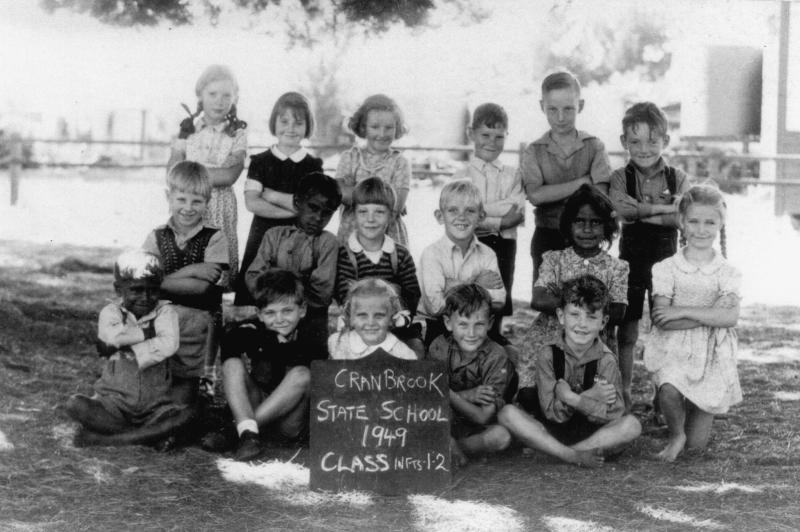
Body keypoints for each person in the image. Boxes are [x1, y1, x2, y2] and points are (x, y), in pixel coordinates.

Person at [499, 276, 641, 468]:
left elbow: (614, 413)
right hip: (550, 429)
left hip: (591, 433)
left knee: (631, 425)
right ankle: (572, 456)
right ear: (560, 316)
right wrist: (590, 397)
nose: (582, 324)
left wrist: (573, 399)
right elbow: (552, 414)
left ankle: (561, 452)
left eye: (591, 317)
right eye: (575, 314)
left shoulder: (606, 360)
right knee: (507, 413)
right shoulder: (548, 354)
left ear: (603, 322)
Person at [645, 185, 740, 462]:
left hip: (712, 353)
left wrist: (681, 310)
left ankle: (689, 430)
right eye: (694, 221)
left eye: (710, 222)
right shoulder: (666, 268)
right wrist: (710, 314)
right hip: (674, 348)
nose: (701, 229)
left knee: (696, 450)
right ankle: (676, 433)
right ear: (682, 223)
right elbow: (663, 319)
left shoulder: (728, 272)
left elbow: (729, 317)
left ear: (721, 224)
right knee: (669, 387)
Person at [516, 185, 628, 411]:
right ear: (568, 224)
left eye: (595, 222)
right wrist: (591, 305)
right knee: (531, 395)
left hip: (594, 343)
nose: (587, 229)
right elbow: (539, 299)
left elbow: (618, 311)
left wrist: (567, 302)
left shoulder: (616, 267)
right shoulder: (553, 259)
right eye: (579, 221)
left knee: (597, 398)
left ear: (607, 226)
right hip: (551, 339)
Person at [65, 250, 193, 447]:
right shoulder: (110, 312)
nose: (145, 297)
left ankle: (109, 438)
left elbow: (168, 344)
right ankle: (148, 438)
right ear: (119, 290)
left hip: (156, 405)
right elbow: (113, 337)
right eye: (136, 290)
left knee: (188, 413)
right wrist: (147, 334)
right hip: (113, 403)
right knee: (76, 404)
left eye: (152, 290)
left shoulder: (166, 312)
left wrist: (128, 344)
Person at [609, 102, 691, 408]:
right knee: (627, 330)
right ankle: (625, 393)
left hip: (666, 262)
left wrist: (642, 213)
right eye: (635, 142)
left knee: (662, 329)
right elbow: (621, 210)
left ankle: (662, 396)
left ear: (666, 142)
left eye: (652, 141)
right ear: (623, 142)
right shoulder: (619, 177)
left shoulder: (677, 177)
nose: (644, 149)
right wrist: (661, 208)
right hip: (631, 262)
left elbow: (681, 216)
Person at [143, 161, 229, 405]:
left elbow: (204, 288)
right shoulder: (156, 235)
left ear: (208, 201)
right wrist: (192, 270)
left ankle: (206, 377)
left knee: (211, 316)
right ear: (168, 197)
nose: (188, 208)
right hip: (164, 315)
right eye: (181, 199)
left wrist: (162, 281)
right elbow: (144, 280)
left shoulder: (215, 237)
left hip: (200, 314)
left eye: (197, 201)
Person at [519, 71, 612, 289]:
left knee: (586, 303)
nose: (560, 117)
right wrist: (583, 183)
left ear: (580, 105)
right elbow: (536, 195)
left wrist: (554, 190)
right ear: (542, 106)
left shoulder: (594, 146)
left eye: (568, 108)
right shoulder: (535, 151)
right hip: (547, 236)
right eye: (553, 109)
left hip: (587, 237)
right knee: (548, 304)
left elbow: (600, 194)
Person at [220, 270, 326, 461]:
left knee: (302, 374)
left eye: (287, 311)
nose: (279, 319)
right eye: (270, 313)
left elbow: (308, 358)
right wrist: (269, 338)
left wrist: (277, 345)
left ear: (302, 310)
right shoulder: (257, 331)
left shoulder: (312, 333)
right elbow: (228, 345)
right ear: (259, 315)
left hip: (289, 421)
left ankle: (239, 431)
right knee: (232, 365)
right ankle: (248, 433)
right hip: (259, 402)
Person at [235, 92, 323, 307]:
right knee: (258, 294)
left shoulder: (313, 166)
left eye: (298, 122)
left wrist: (272, 195)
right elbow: (252, 202)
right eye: (284, 121)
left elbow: (313, 207)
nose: (290, 128)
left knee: (293, 296)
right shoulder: (260, 162)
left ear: (307, 126)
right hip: (262, 234)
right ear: (274, 122)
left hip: (299, 238)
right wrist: (295, 209)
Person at [167, 64, 247, 291]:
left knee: (216, 270)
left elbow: (229, 175)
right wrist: (192, 179)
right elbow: (172, 173)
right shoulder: (188, 131)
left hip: (220, 207)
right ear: (200, 95)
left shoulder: (237, 134)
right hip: (188, 206)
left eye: (226, 95)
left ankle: (213, 321)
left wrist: (189, 178)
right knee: (186, 263)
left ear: (235, 98)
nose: (219, 101)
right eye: (212, 94)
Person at [244, 172, 342, 353]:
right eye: (313, 208)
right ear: (297, 202)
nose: (318, 218)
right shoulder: (273, 235)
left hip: (311, 320)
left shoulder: (328, 242)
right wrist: (280, 300)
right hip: (274, 317)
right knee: (264, 360)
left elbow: (322, 291)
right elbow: (253, 276)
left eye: (327, 213)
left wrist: (277, 285)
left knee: (308, 368)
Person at [454, 103, 526, 340]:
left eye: (499, 137)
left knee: (500, 291)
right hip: (472, 245)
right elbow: (463, 215)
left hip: (505, 245)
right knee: (472, 292)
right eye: (485, 135)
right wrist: (498, 219)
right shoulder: (462, 175)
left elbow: (516, 211)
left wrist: (480, 211)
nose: (491, 142)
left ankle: (495, 341)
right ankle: (470, 340)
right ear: (470, 133)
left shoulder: (512, 174)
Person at [335, 177, 424, 358]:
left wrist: (394, 318)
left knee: (416, 349)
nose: (370, 219)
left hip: (395, 323)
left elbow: (411, 294)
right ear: (354, 215)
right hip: (359, 325)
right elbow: (344, 294)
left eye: (379, 212)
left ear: (391, 216)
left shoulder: (400, 254)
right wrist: (389, 290)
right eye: (363, 212)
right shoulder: (345, 254)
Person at [428, 284, 516, 465]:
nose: (471, 333)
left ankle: (451, 448)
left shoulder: (496, 356)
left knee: (501, 436)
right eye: (463, 324)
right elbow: (429, 401)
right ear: (448, 323)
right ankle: (446, 446)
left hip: (477, 426)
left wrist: (448, 392)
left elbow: (483, 416)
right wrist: (468, 395)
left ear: (490, 323)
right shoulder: (439, 347)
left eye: (479, 325)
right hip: (444, 420)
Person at [417, 179, 506, 347]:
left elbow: (499, 301)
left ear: (481, 217)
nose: (461, 217)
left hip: (477, 329)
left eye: (470, 211)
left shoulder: (487, 254)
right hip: (439, 329)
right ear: (439, 216)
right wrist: (475, 285)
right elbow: (435, 307)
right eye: (453, 210)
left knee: (506, 357)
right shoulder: (432, 254)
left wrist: (450, 286)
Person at [335, 94, 411, 246]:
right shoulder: (350, 157)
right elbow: (338, 193)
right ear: (363, 127)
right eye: (375, 127)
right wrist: (384, 196)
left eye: (389, 127)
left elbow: (396, 206)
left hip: (388, 238)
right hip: (351, 236)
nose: (382, 134)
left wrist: (355, 191)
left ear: (397, 128)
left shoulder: (400, 162)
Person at [328, 278, 418, 360]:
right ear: (351, 318)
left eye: (379, 316)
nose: (370, 322)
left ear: (391, 318)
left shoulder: (402, 353)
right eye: (362, 315)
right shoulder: (339, 344)